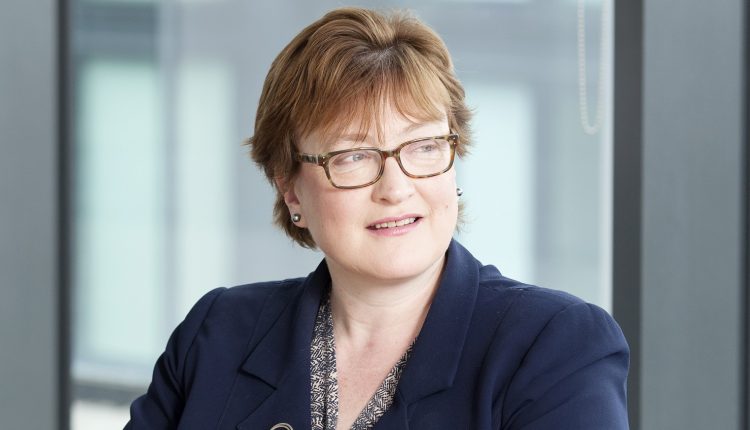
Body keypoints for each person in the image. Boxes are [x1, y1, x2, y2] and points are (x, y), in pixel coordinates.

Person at [125, 7, 629, 430]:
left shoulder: (554, 347)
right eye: (353, 156)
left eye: (424, 146)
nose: (396, 188)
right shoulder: (216, 335)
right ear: (290, 188)